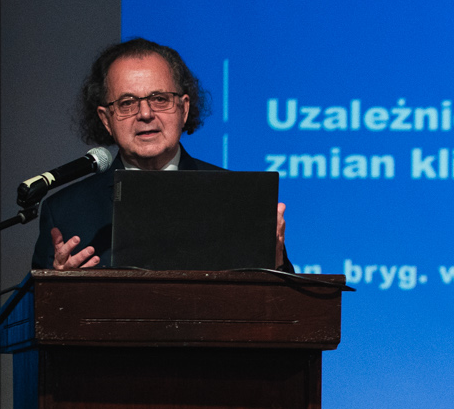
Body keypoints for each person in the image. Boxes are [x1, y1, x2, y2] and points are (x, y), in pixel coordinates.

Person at [31, 37, 287, 270]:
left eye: (160, 99)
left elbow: (280, 301)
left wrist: (274, 266)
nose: (145, 114)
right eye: (127, 103)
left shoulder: (238, 200)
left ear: (183, 109)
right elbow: (34, 304)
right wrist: (56, 286)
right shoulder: (65, 212)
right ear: (106, 119)